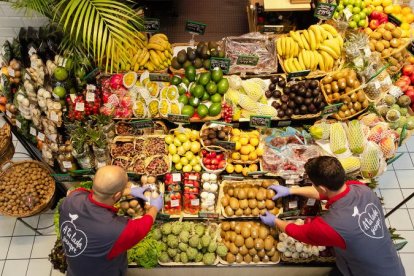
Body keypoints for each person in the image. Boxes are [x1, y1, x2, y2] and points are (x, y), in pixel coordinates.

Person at [259, 156, 405, 276]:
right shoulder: (361, 189)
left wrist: (275, 221)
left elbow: (299, 232)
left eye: (314, 184)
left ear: (322, 187)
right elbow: (324, 193)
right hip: (393, 265)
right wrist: (291, 190)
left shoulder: (332, 225)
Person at [59, 165, 163, 276]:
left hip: (74, 270)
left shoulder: (73, 197)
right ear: (117, 195)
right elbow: (143, 227)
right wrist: (154, 208)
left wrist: (127, 191)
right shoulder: (115, 230)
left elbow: (97, 193)